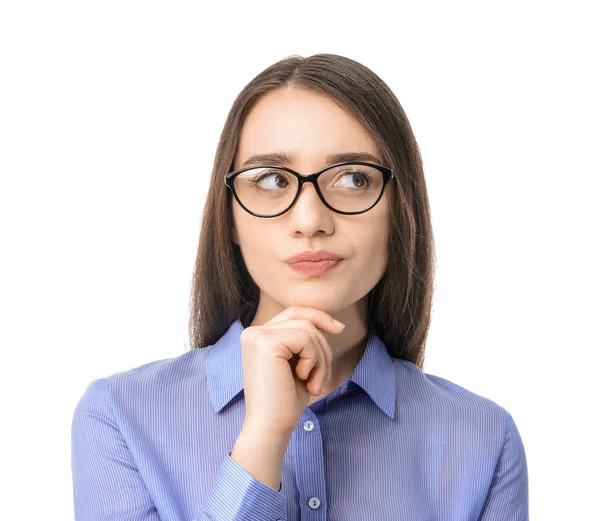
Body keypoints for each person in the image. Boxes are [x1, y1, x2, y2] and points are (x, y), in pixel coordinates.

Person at [71, 53, 529, 521]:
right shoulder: (121, 418)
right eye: (270, 179)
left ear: (400, 210)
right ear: (229, 216)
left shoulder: (484, 440)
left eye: (354, 178)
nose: (310, 220)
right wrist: (264, 437)